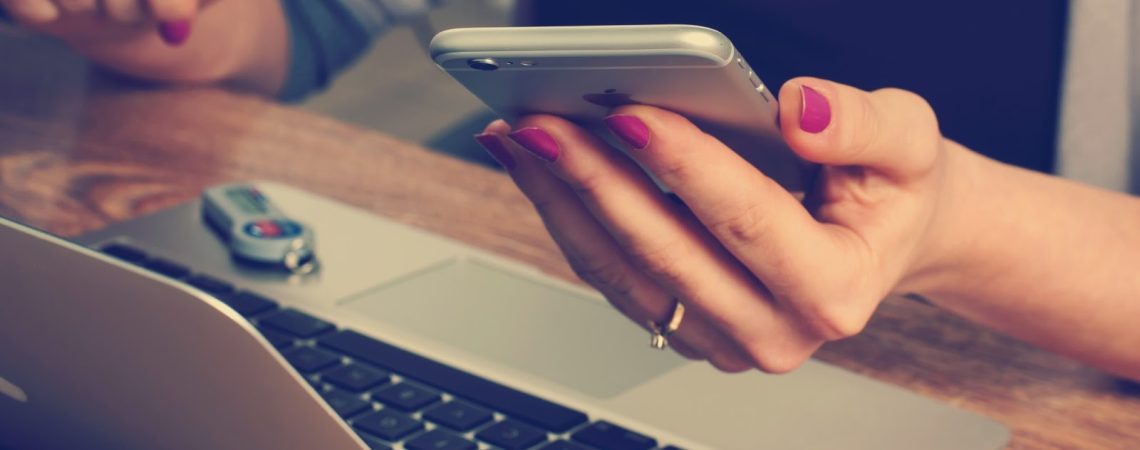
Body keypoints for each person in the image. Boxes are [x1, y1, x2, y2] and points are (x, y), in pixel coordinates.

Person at [3, 0, 1137, 381]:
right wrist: (150, 16)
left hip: (1003, 365)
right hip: (531, 273)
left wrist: (951, 226)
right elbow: (286, 29)